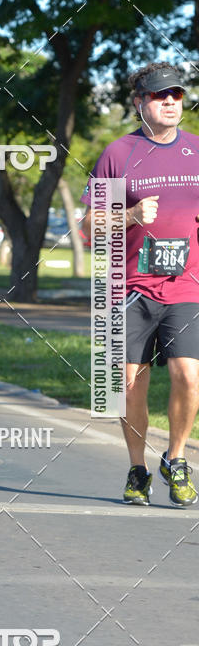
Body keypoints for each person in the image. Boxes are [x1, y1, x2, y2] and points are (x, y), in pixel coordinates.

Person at [81, 62, 199, 507]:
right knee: (129, 384)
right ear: (139, 103)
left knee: (189, 375)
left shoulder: (197, 151)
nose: (169, 101)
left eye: (176, 95)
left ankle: (177, 457)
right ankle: (137, 468)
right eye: (158, 95)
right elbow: (91, 224)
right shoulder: (120, 154)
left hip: (187, 286)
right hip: (129, 287)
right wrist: (128, 215)